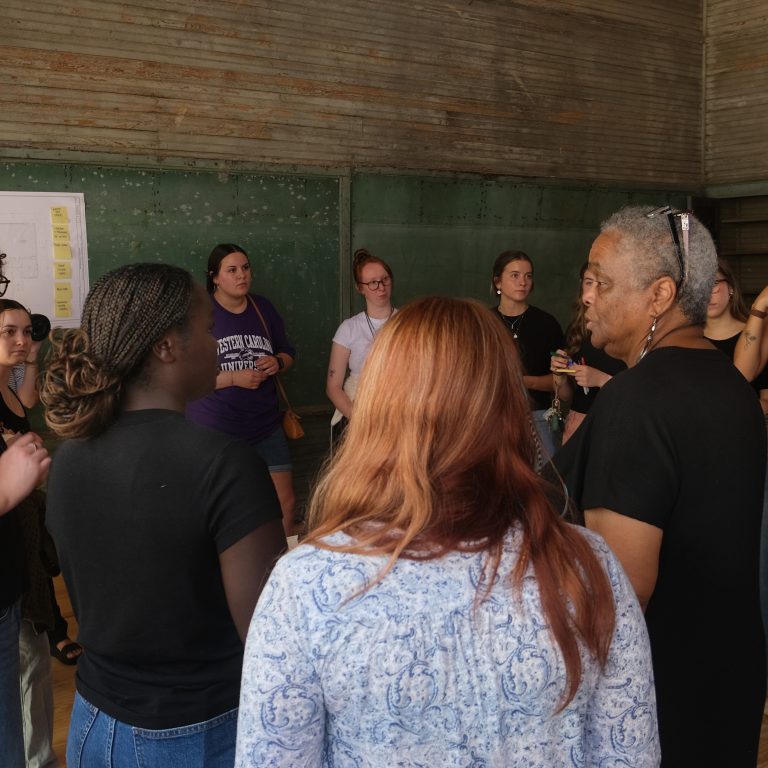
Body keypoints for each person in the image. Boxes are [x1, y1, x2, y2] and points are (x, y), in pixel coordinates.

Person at [235, 297, 659, 767]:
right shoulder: (586, 563)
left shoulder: (307, 584)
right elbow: (629, 754)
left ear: (377, 407)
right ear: (507, 407)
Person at [41, 263, 286, 768]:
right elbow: (268, 637)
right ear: (166, 347)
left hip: (91, 725)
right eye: (209, 329)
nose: (218, 342)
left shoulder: (68, 456)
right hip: (193, 735)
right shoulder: (226, 464)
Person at [554, 206, 766, 766]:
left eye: (600, 280)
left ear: (660, 294)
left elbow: (619, 593)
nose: (587, 296)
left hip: (659, 693)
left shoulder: (638, 398)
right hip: (727, 675)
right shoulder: (730, 383)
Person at [186, 243, 297, 535]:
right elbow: (187, 377)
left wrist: (277, 363)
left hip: (266, 424)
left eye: (246, 268)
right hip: (216, 428)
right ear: (214, 277)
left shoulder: (263, 307)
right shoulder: (199, 314)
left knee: (284, 502)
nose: (241, 275)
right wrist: (233, 378)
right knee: (222, 507)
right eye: (232, 270)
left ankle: (280, 572)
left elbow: (287, 352)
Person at [0, 295, 51, 768]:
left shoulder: (10, 389)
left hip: (22, 545)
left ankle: (38, 757)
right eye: (8, 333)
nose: (20, 340)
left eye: (25, 331)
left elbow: (27, 401)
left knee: (32, 650)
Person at [491, 250, 564, 459]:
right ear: (498, 282)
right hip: (494, 418)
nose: (522, 282)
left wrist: (525, 382)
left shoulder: (547, 323)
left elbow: (561, 383)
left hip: (539, 418)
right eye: (514, 275)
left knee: (543, 482)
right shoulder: (485, 322)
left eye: (528, 276)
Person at [550, 264, 626, 444]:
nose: (593, 291)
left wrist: (601, 379)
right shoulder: (577, 330)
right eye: (588, 282)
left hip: (614, 424)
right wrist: (560, 375)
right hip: (577, 425)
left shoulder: (627, 331)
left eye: (601, 284)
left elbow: (640, 395)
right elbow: (566, 396)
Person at [326, 248, 395, 426]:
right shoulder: (349, 328)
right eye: (372, 282)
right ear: (360, 288)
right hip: (359, 414)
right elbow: (333, 388)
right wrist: (358, 419)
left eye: (384, 280)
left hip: (399, 410)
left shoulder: (409, 323)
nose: (380, 287)